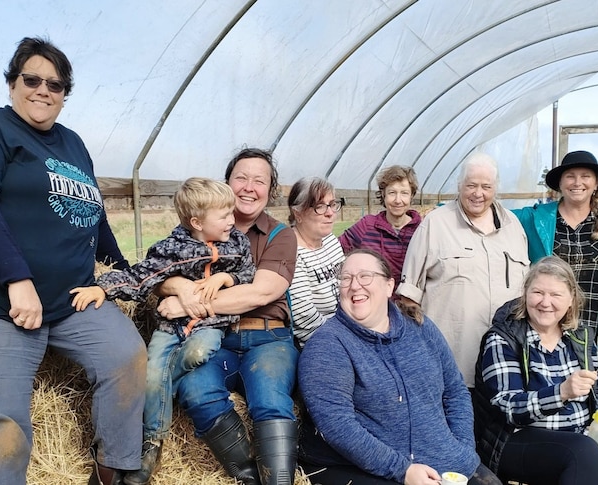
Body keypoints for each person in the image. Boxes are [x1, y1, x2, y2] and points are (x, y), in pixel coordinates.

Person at [0, 37, 145, 485]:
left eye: (56, 84)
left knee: (127, 356)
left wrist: (120, 270)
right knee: (0, 424)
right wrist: (15, 278)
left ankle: (113, 468)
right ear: (12, 83)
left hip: (72, 298)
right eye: (32, 79)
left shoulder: (73, 143)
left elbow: (93, 214)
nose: (43, 90)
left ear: (65, 94)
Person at [70, 177, 257, 485]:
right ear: (196, 221)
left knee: (197, 354)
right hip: (170, 328)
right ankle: (152, 444)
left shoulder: (236, 244)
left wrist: (224, 280)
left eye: (231, 213)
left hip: (210, 326)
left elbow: (247, 272)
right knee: (151, 372)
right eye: (224, 215)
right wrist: (103, 288)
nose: (232, 221)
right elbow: (140, 277)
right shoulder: (172, 249)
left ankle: (157, 404)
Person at [298, 249, 502, 485]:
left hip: (445, 459)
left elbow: (455, 391)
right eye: (346, 278)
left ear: (388, 286)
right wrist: (403, 470)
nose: (354, 286)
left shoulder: (421, 327)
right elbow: (337, 425)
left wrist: (462, 447)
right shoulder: (327, 345)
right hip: (372, 467)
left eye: (365, 276)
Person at [157, 148, 299, 485]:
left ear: (271, 190)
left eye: (259, 181)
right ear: (227, 183)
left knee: (270, 401)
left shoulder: (281, 235)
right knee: (195, 390)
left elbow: (261, 292)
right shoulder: (195, 230)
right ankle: (248, 476)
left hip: (268, 338)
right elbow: (159, 276)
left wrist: (189, 304)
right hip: (215, 338)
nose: (249, 187)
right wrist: (177, 286)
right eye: (241, 178)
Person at [473, 256, 598, 485]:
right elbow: (507, 407)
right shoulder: (504, 338)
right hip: (516, 439)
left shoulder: (581, 336)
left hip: (580, 436)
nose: (545, 302)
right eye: (537, 292)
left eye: (556, 295)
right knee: (582, 453)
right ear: (526, 294)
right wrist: (561, 392)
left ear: (571, 300)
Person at [397, 152, 529, 387]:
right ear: (459, 185)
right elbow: (408, 297)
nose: (478, 194)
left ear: (495, 188)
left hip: (507, 364)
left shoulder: (513, 226)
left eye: (486, 186)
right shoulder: (435, 224)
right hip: (453, 364)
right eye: (471, 185)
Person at [513, 150, 598, 367]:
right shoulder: (534, 218)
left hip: (594, 335)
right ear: (560, 183)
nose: (577, 182)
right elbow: (493, 215)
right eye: (570, 176)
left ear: (596, 184)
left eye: (585, 176)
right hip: (544, 334)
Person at [338, 165, 422, 293]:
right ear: (383, 194)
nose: (398, 200)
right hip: (373, 304)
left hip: (409, 307)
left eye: (404, 193)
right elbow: (335, 249)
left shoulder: (422, 230)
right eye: (392, 193)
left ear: (412, 196)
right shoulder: (367, 226)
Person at [288, 176, 345, 346]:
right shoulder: (291, 251)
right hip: (319, 341)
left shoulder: (330, 240)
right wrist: (347, 335)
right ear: (297, 213)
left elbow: (346, 282)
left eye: (332, 204)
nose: (330, 213)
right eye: (320, 206)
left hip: (345, 327)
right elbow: (304, 316)